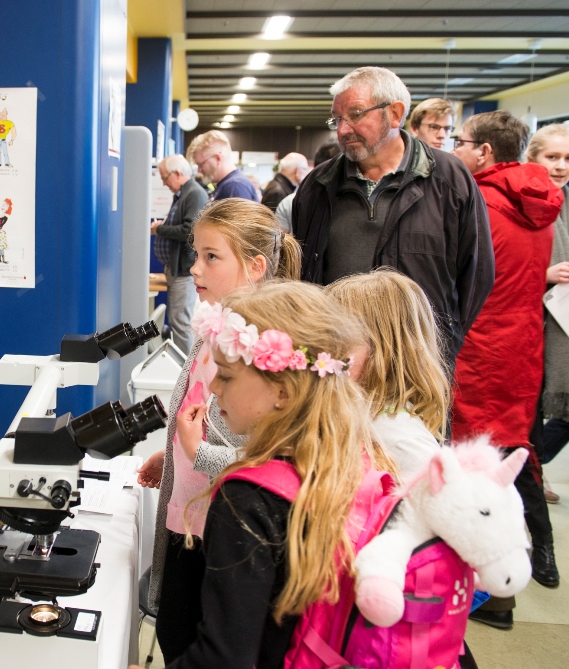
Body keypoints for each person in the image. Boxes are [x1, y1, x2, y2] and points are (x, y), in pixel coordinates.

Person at [130, 281, 376, 669]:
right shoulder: (345, 465)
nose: (212, 386)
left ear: (282, 391)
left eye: (226, 375)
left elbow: (223, 658)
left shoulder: (246, 501)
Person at [136, 199, 301, 661]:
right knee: (174, 633)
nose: (195, 267)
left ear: (255, 266)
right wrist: (173, 456)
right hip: (188, 522)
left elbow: (276, 466)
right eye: (196, 253)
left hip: (224, 536)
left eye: (212, 256)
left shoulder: (263, 355)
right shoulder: (213, 334)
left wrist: (199, 454)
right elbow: (195, 420)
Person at [292, 66, 494, 366]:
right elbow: (303, 270)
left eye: (356, 114)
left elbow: (476, 273)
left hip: (417, 363)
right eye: (337, 119)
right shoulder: (318, 186)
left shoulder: (448, 180)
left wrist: (444, 344)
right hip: (337, 362)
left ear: (396, 114)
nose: (343, 130)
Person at [450, 110, 563, 627]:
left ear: (486, 152)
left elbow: (461, 279)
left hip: (479, 347)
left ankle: (490, 593)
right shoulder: (540, 203)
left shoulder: (481, 203)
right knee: (508, 460)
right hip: (521, 347)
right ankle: (510, 578)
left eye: (461, 141)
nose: (455, 148)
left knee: (471, 470)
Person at [327, 269, 450, 478]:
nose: (324, 349)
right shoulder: (359, 416)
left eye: (337, 337)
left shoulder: (404, 444)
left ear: (380, 350)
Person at [526, 123, 569, 515]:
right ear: (532, 158)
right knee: (530, 414)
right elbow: (498, 264)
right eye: (552, 157)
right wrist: (544, 274)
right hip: (534, 323)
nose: (562, 165)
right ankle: (528, 477)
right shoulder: (524, 199)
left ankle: (532, 473)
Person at [151, 154, 209, 355]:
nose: (164, 183)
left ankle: (187, 369)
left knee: (180, 321)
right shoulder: (185, 194)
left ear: (177, 174)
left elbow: (189, 231)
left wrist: (159, 229)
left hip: (184, 271)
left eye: (165, 178)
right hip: (177, 270)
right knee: (178, 320)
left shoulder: (194, 194)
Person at [274, 142, 339, 232]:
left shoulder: (290, 199)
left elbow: (279, 239)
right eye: (304, 169)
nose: (307, 173)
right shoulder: (280, 192)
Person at [187, 129, 259, 202]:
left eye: (201, 164)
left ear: (218, 158)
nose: (199, 170)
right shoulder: (226, 185)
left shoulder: (234, 187)